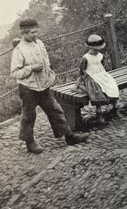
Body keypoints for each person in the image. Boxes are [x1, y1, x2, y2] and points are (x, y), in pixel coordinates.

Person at [11, 18, 89, 154]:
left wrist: (50, 75)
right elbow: (15, 73)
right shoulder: (19, 50)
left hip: (44, 86)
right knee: (29, 116)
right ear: (24, 33)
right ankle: (30, 143)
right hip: (28, 89)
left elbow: (46, 61)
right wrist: (31, 68)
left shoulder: (40, 43)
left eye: (36, 31)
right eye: (32, 32)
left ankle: (69, 136)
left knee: (55, 110)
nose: (36, 35)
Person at [75, 34, 121, 124]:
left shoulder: (100, 56)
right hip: (90, 75)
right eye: (95, 49)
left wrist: (104, 75)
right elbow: (81, 69)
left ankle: (115, 108)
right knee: (96, 89)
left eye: (98, 49)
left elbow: (102, 66)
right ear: (90, 48)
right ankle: (99, 112)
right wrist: (82, 79)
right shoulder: (86, 58)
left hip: (100, 74)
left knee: (112, 84)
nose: (97, 51)